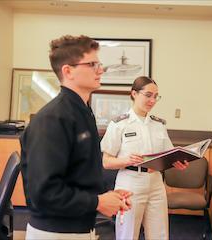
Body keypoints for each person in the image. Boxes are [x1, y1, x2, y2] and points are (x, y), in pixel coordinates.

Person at [20, 35, 132, 240]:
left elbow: (79, 172)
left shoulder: (83, 111)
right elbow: (44, 193)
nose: (100, 69)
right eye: (92, 64)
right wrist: (98, 202)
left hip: (80, 228)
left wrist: (107, 196)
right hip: (55, 232)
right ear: (68, 71)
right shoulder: (52, 119)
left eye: (99, 64)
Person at [101, 76, 189, 240]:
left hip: (156, 181)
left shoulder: (159, 124)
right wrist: (126, 160)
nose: (152, 100)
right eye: (148, 95)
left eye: (156, 96)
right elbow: (106, 162)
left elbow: (168, 155)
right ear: (134, 93)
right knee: (127, 234)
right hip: (130, 182)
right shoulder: (119, 124)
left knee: (159, 234)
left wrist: (176, 162)